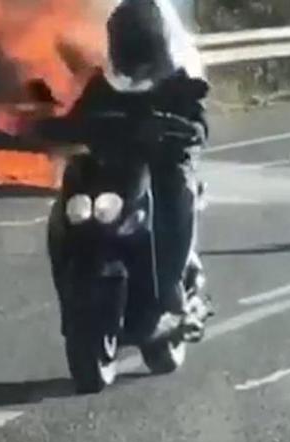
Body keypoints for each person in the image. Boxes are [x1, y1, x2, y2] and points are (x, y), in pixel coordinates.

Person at [51, 0, 213, 338]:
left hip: (161, 164)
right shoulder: (104, 84)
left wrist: (187, 129)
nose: (136, 66)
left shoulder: (181, 82)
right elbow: (78, 117)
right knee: (62, 212)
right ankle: (69, 296)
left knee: (178, 188)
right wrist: (51, 127)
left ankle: (170, 291)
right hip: (116, 170)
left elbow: (198, 121)